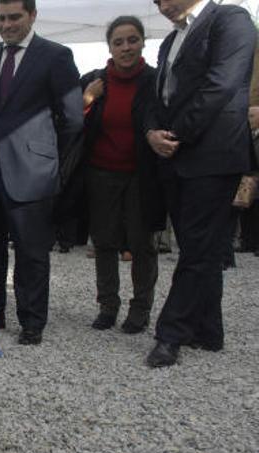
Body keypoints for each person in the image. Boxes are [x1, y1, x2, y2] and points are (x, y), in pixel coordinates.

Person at [144, 0, 257, 367]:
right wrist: (150, 133)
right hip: (175, 156)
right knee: (201, 246)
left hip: (212, 154)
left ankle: (171, 333)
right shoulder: (169, 41)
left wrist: (175, 134)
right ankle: (209, 330)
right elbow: (158, 94)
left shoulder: (231, 20)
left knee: (197, 248)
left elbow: (221, 85)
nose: (162, 5)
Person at [0, 0, 82, 344]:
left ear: (32, 16)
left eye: (14, 17)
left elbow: (73, 119)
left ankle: (32, 323)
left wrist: (46, 156)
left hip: (33, 172)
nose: (7, 24)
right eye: (1, 18)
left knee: (31, 252)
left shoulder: (56, 56)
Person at [79, 16, 166, 334]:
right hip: (101, 173)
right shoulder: (93, 80)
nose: (126, 47)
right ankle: (107, 306)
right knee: (104, 242)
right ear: (110, 47)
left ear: (143, 41)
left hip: (142, 176)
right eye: (118, 42)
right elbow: (71, 122)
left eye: (132, 40)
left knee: (143, 245)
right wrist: (87, 100)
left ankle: (140, 309)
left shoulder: (156, 80)